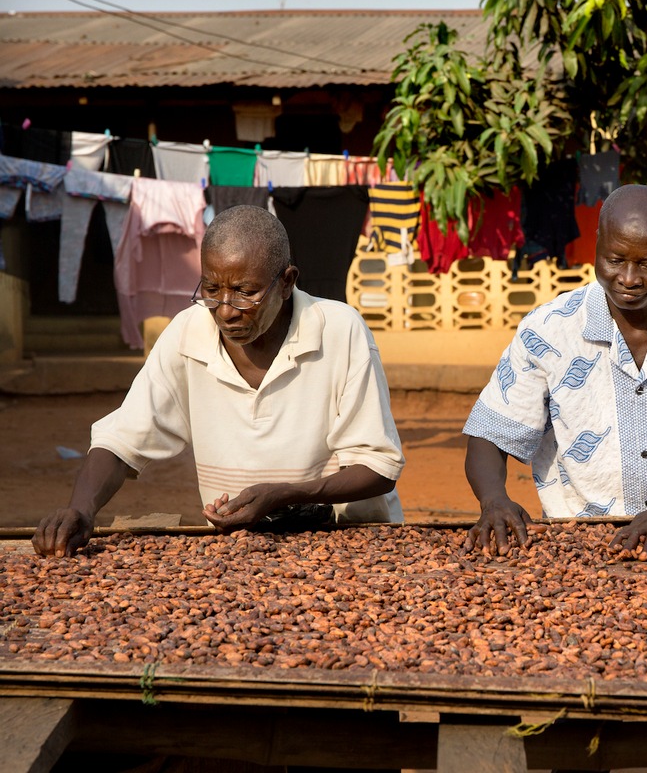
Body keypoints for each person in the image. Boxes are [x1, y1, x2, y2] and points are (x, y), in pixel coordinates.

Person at [33, 205, 404, 557]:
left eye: (245, 292)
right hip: (238, 548)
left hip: (348, 541)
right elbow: (122, 439)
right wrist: (81, 508)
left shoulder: (340, 330)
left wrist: (286, 495)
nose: (226, 310)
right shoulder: (188, 332)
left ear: (287, 282)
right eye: (211, 289)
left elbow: (378, 467)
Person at [462, 183, 647, 560]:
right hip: (578, 545)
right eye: (614, 259)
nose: (628, 278)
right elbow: (491, 436)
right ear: (597, 244)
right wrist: (494, 499)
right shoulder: (548, 328)